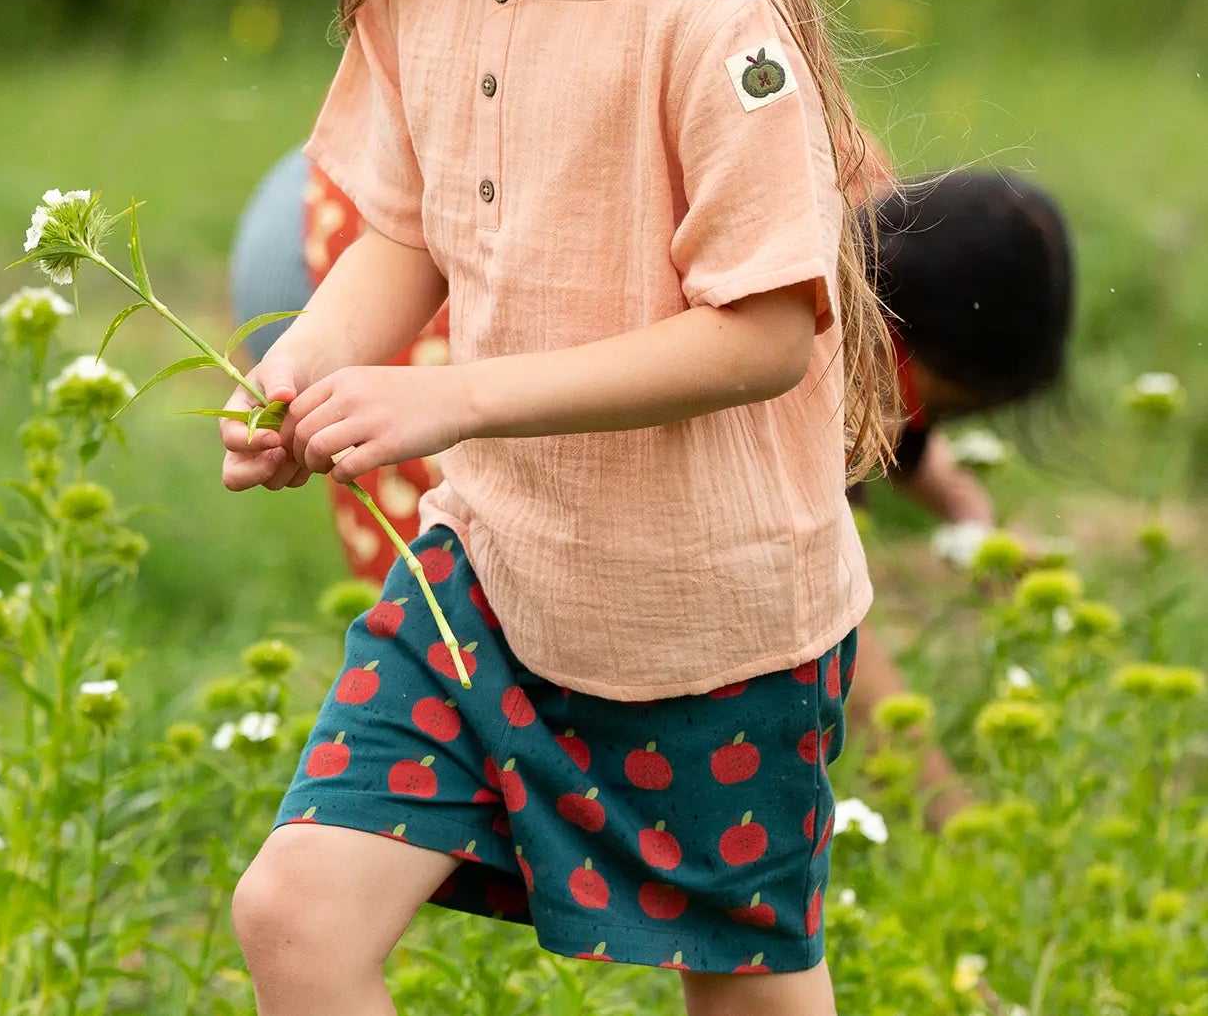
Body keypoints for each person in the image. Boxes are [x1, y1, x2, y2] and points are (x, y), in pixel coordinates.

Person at [219, 0, 893, 1015]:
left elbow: (763, 333)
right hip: (495, 563)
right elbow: (406, 226)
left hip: (715, 615)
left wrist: (450, 395)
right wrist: (309, 366)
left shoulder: (705, 9)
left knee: (747, 983)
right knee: (297, 917)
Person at [232, 154, 1075, 830]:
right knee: (472, 609)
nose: (908, 428)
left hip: (339, 175)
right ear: (912, 353)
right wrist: (949, 810)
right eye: (935, 404)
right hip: (339, 264)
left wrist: (971, 518)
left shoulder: (854, 212)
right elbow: (825, 605)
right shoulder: (798, 347)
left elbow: (898, 421)